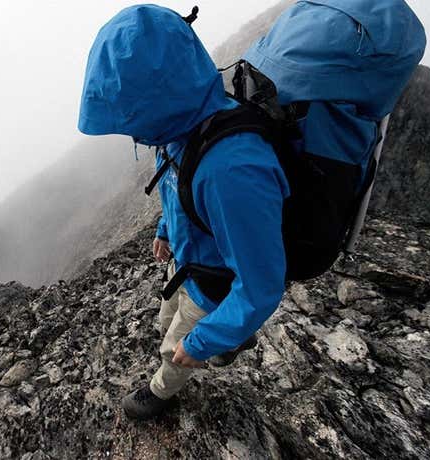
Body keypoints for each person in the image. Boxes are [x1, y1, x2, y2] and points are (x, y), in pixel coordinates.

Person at [78, 4, 289, 420]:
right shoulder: (181, 128)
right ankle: (228, 337)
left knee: (175, 347)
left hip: (212, 283)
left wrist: (199, 343)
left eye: (133, 115)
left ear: (160, 97)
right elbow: (178, 191)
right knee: (166, 320)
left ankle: (160, 393)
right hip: (187, 265)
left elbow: (262, 283)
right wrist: (163, 229)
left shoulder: (232, 169)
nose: (133, 131)